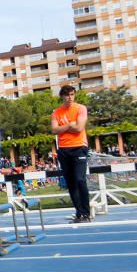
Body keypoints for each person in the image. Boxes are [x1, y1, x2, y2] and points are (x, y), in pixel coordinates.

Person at [50, 85, 90, 223]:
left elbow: (79, 128)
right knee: (71, 183)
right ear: (62, 96)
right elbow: (54, 130)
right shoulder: (56, 112)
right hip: (64, 149)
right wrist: (68, 126)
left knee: (80, 179)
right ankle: (79, 212)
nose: (70, 98)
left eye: (72, 94)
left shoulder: (81, 108)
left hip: (79, 147)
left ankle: (86, 212)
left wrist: (64, 128)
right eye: (67, 95)